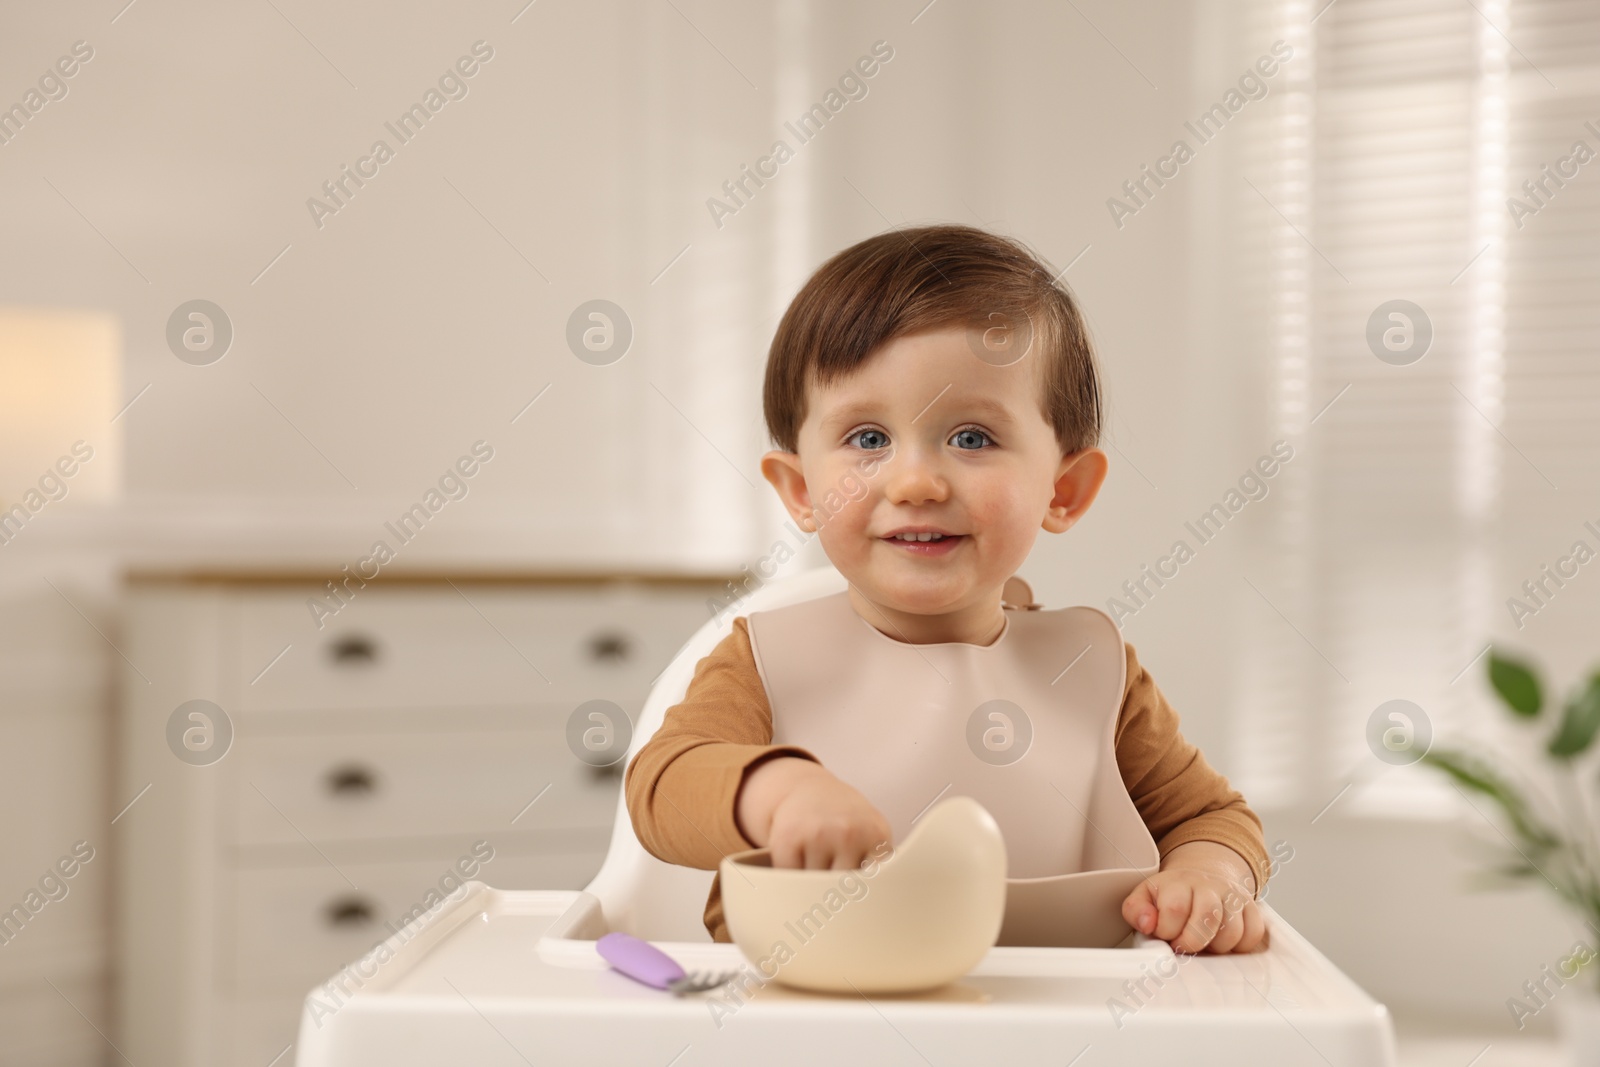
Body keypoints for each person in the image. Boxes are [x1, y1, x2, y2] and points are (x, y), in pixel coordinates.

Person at [625, 224, 1268, 955]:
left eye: (971, 437)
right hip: (808, 1014)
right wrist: (774, 793)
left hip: (1058, 1020)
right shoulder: (766, 662)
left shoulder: (1091, 670)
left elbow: (1212, 818)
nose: (917, 483)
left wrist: (1208, 876)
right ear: (801, 490)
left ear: (1063, 489)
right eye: (867, 438)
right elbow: (661, 785)